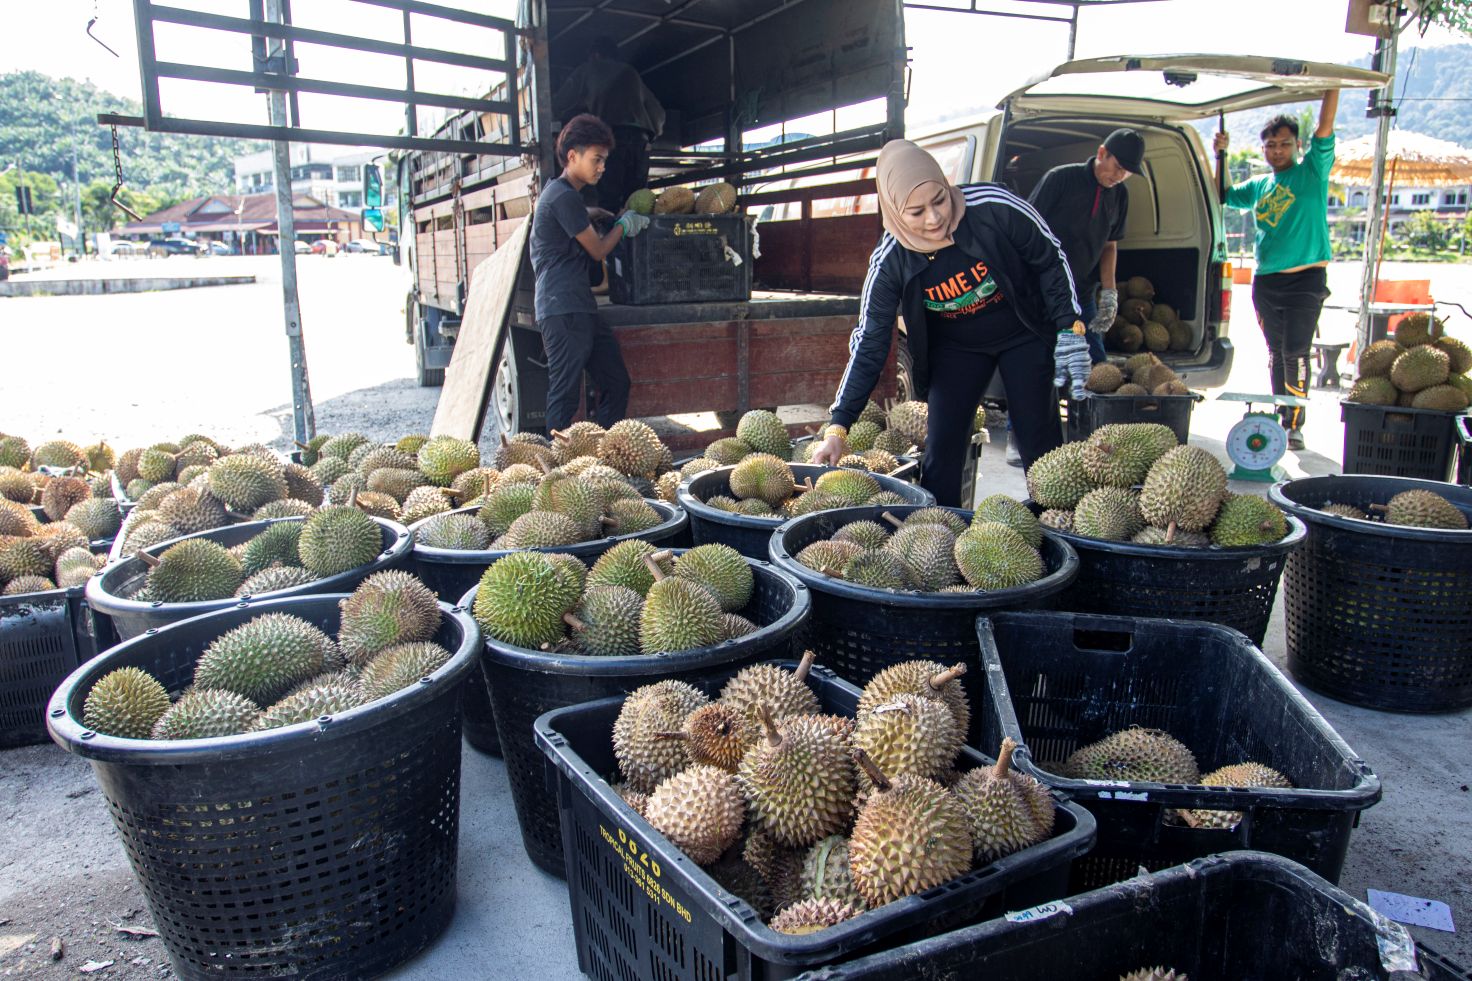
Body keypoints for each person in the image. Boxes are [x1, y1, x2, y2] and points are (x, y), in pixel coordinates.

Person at [811, 140, 1084, 507]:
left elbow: (1049, 258)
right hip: (957, 349)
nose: (934, 218)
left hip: (1022, 333)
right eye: (916, 211)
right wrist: (838, 426)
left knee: (1041, 442)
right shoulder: (891, 261)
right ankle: (941, 533)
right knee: (942, 447)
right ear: (893, 211)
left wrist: (1070, 327)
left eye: (939, 200)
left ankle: (1058, 525)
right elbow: (870, 344)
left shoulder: (992, 207)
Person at [1216, 90, 1339, 450]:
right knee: (1275, 352)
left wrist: (1333, 86)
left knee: (1296, 351)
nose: (1277, 151)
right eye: (1270, 145)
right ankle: (1281, 415)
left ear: (1297, 145)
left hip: (1306, 279)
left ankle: (1295, 423)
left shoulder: (1312, 172)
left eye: (1284, 144)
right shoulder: (1260, 185)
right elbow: (1222, 193)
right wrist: (1220, 152)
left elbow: (1325, 126)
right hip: (1267, 282)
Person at [530, 114, 650, 433]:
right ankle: (551, 469)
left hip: (579, 308)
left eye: (604, 161)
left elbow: (572, 222)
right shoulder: (563, 196)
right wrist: (623, 227)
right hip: (563, 310)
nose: (602, 168)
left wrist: (592, 213)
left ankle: (597, 452)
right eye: (596, 159)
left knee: (617, 382)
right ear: (573, 156)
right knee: (565, 394)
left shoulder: (563, 196)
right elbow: (597, 250)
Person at [1029, 128, 1142, 363]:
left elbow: (1109, 245)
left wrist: (1110, 294)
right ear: (1102, 153)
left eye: (1128, 172)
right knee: (1043, 364)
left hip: (1082, 293)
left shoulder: (1120, 194)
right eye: (1119, 167)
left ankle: (1085, 401)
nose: (1121, 176)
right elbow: (1026, 231)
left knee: (1097, 365)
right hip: (1042, 291)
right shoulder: (1060, 179)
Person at [553, 37, 666, 213]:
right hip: (641, 143)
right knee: (638, 201)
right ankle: (637, 240)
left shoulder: (588, 69)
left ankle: (611, 239)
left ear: (595, 55)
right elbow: (658, 112)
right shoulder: (630, 72)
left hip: (612, 140)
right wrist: (652, 136)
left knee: (609, 200)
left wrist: (554, 122)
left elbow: (560, 102)